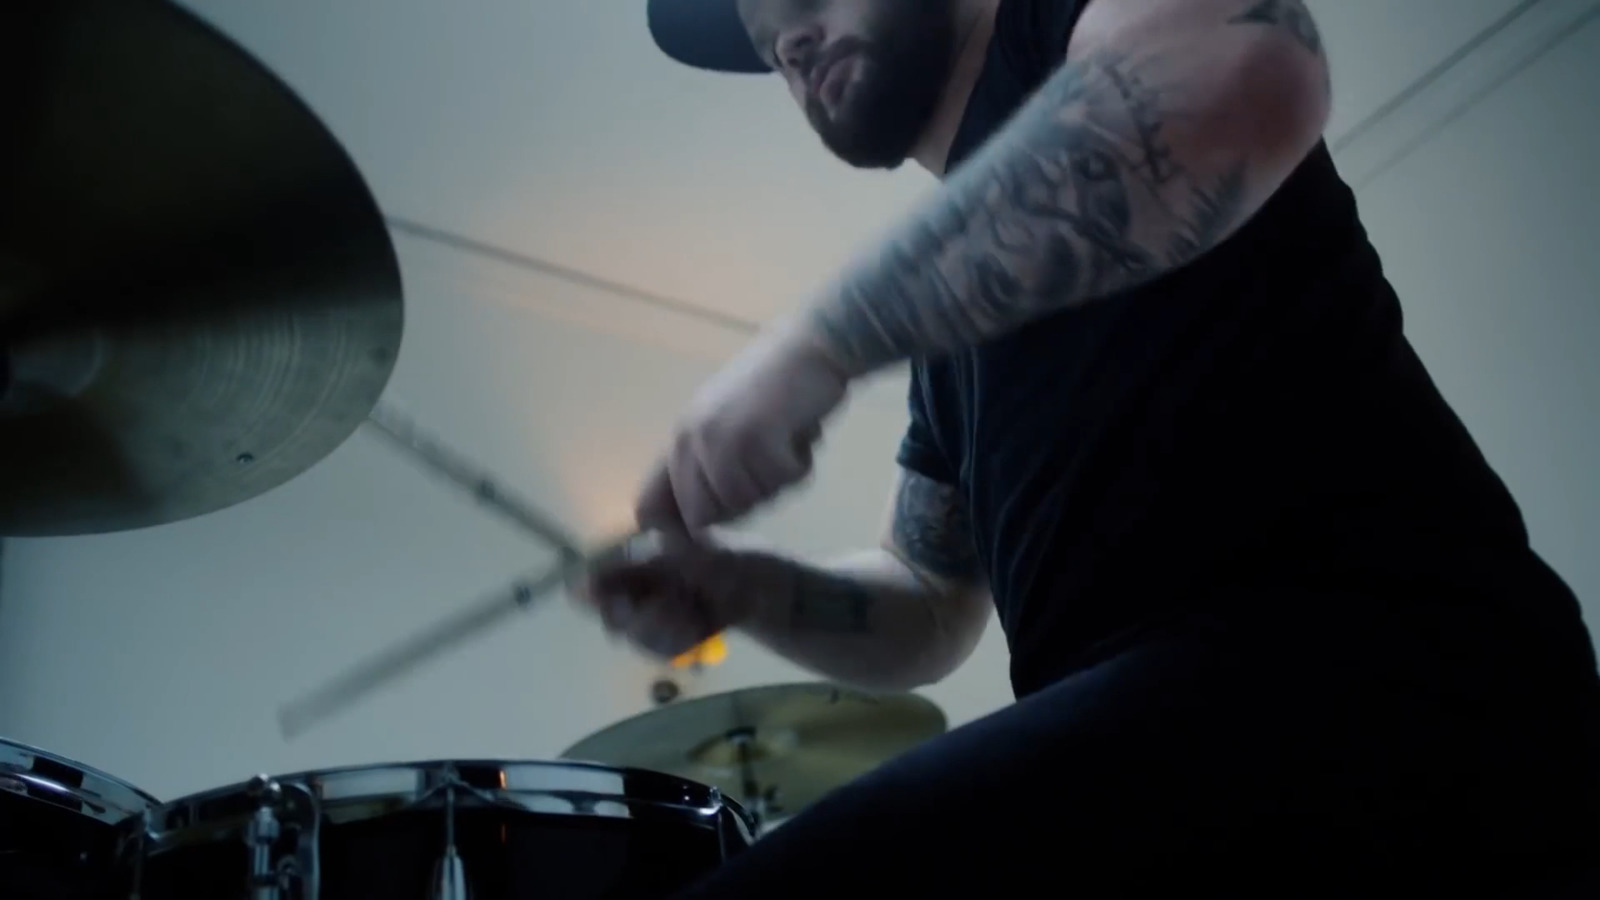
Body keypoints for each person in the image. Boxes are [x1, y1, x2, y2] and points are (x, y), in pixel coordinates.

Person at [583, 0, 1600, 893]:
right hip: (1177, 754)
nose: (791, 44)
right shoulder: (953, 321)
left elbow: (1246, 76)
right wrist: (743, 589)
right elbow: (929, 603)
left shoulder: (1063, 19)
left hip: (1391, 674)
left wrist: (821, 341)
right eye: (770, 46)